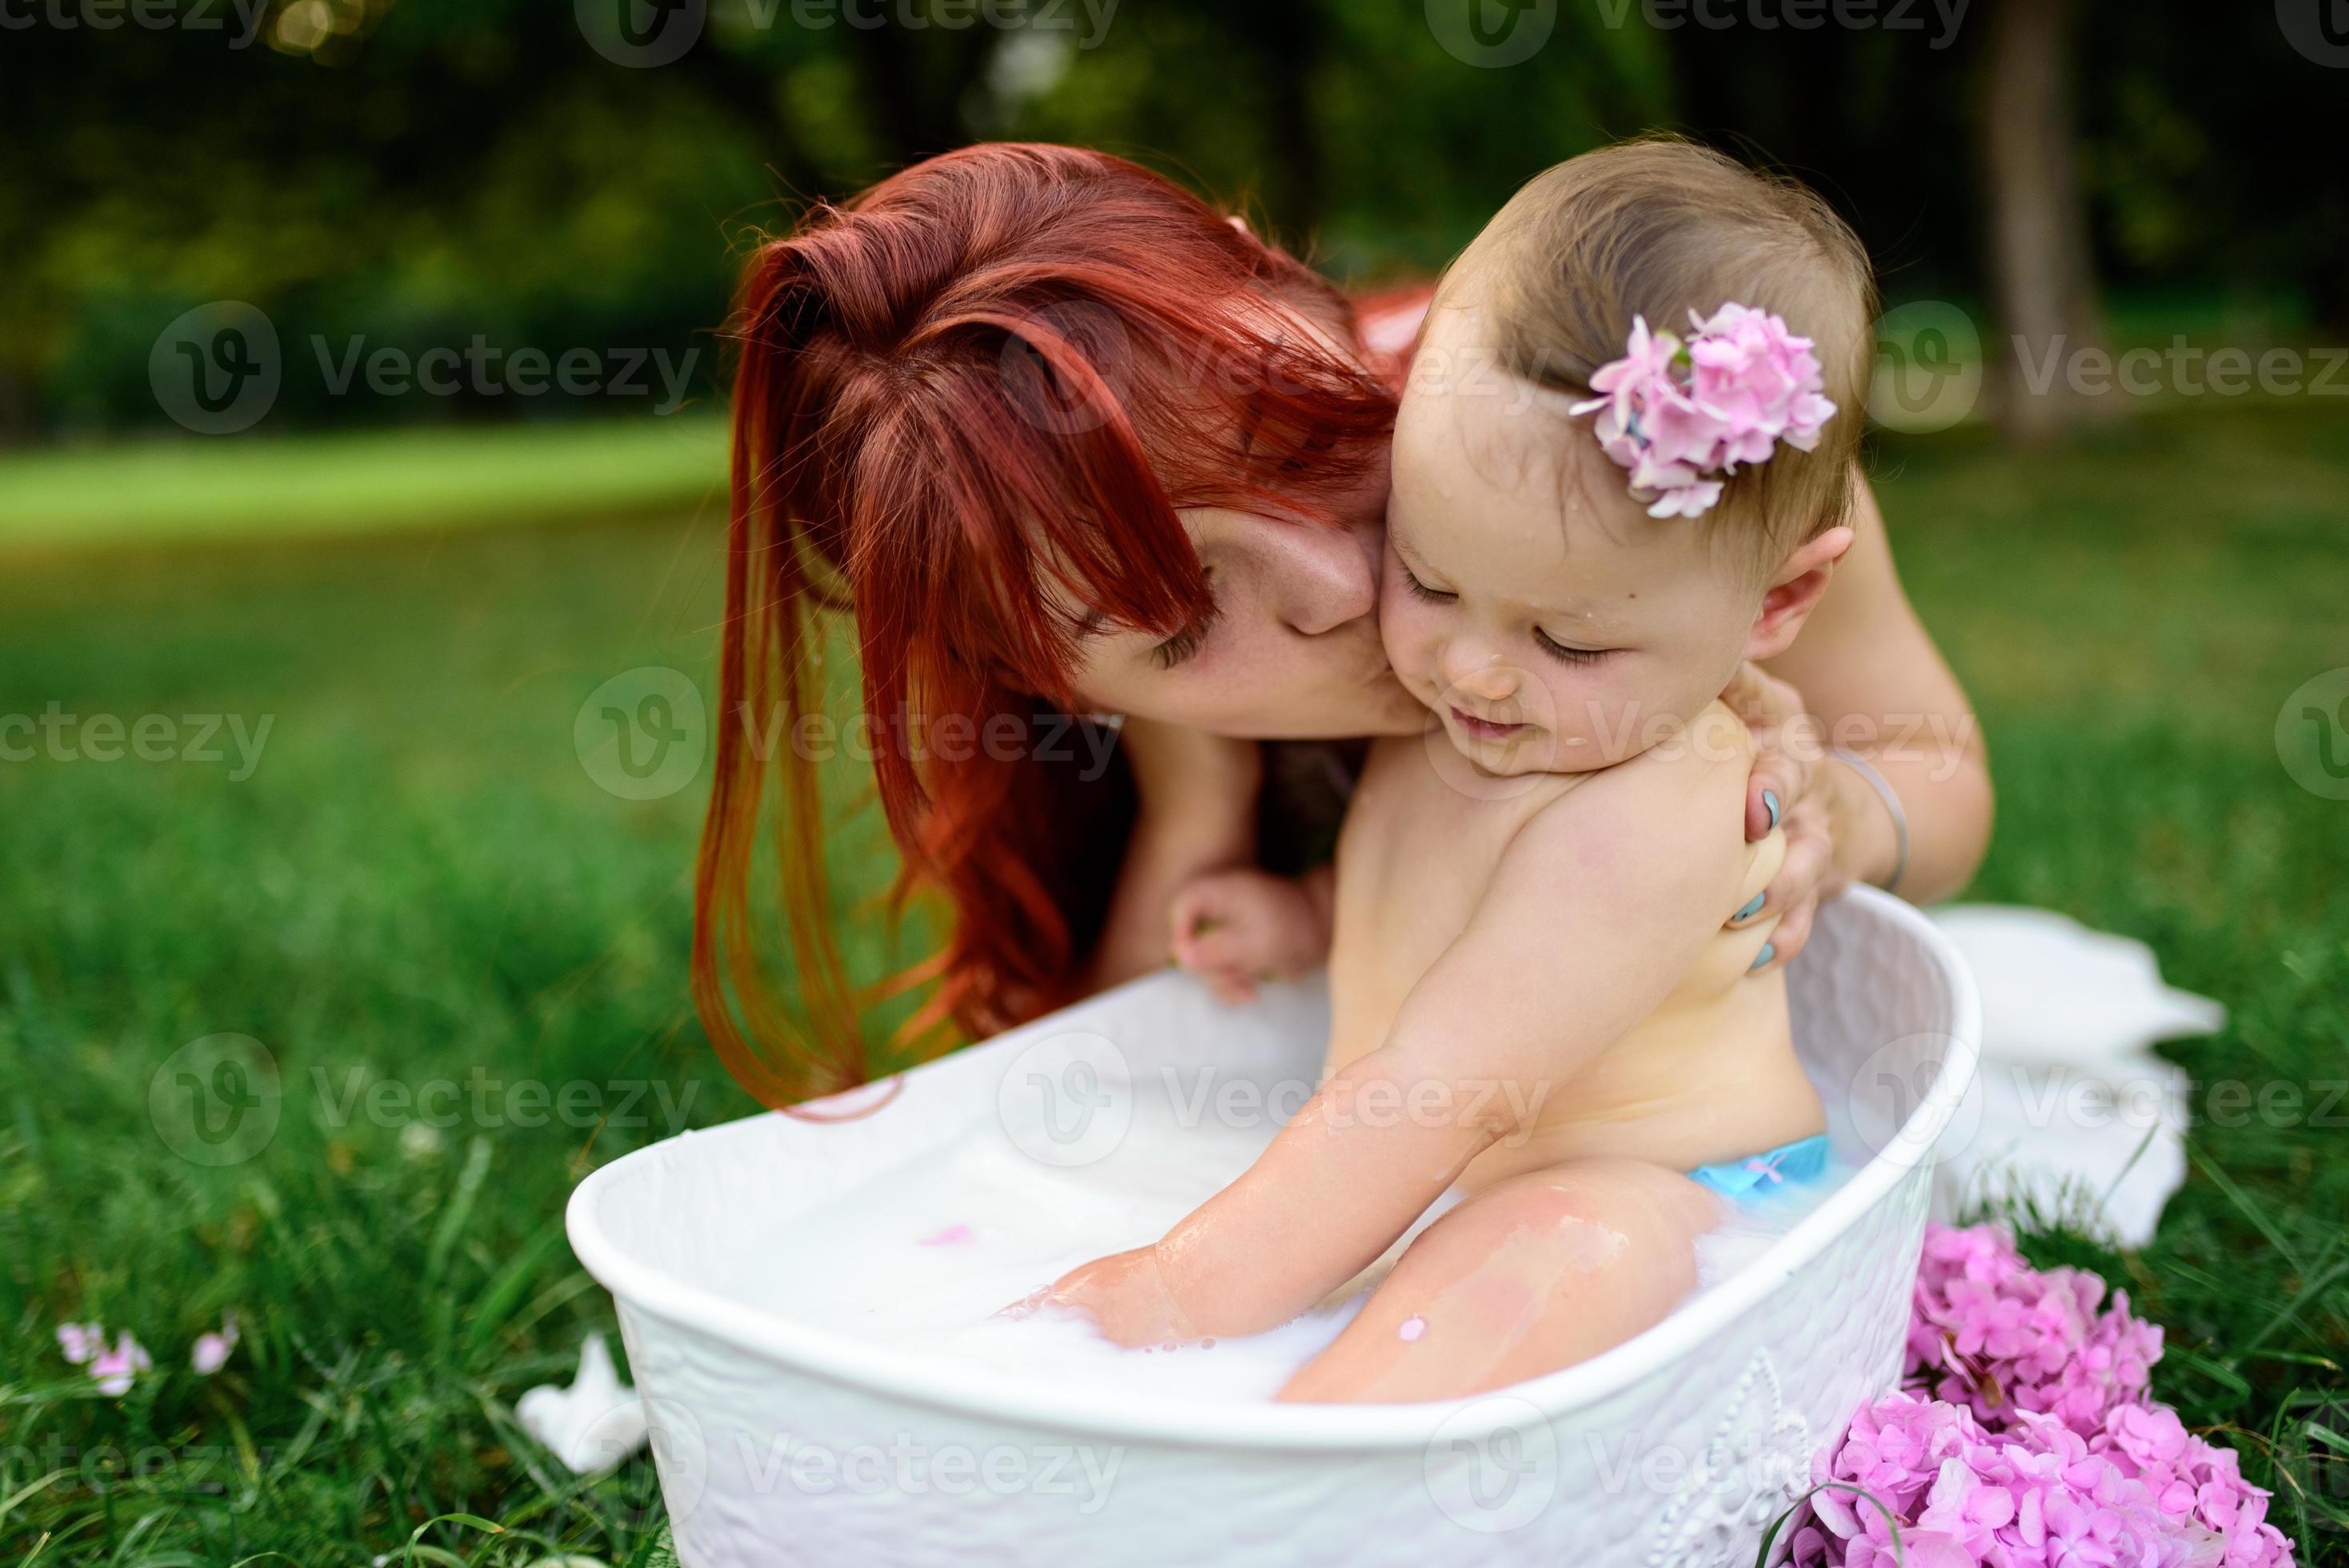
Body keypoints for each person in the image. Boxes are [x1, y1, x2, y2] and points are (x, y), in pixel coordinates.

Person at [691, 142, 1989, 1111]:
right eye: (1182, 624)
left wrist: (1841, 821)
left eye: (1289, 434)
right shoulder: (1146, 723)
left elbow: (1943, 770)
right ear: (1056, 684)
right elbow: (1121, 1089)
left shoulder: (1650, 456)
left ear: (1291, 286)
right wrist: (1195, 805)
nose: (1327, 581)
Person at [1046, 140, 1873, 1400]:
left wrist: (1180, 1288)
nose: (1475, 671)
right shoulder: (1498, 712)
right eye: (1428, 577)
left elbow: (1450, 1083)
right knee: (1434, 1245)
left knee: (1553, 1253)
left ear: (1783, 600)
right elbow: (1444, 914)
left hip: (1672, 1192)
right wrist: (1308, 915)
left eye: (1570, 637)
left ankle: (1311, 1472)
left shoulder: (1654, 797)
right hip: (1443, 1173)